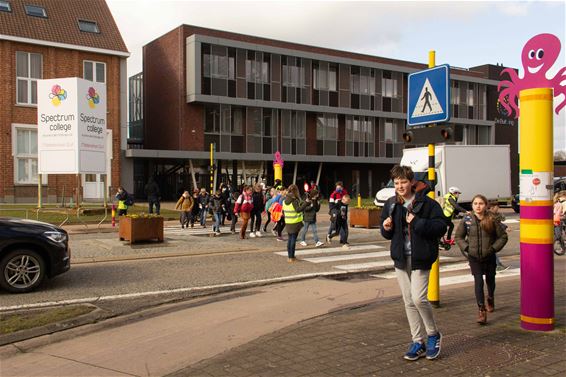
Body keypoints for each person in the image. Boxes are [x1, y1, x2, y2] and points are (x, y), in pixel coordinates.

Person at [380, 165, 445, 361]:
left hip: (421, 257)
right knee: (408, 301)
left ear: (412, 182)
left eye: (404, 182)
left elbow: (441, 226)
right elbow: (386, 233)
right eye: (397, 182)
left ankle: (433, 334)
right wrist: (386, 227)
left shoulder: (427, 204)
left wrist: (417, 222)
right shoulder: (391, 204)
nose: (400, 186)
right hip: (401, 258)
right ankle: (418, 341)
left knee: (418, 298)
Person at [455, 194, 508, 325]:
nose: (478, 206)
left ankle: (490, 297)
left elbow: (503, 237)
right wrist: (467, 248)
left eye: (481, 203)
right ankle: (481, 310)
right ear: (472, 205)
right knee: (478, 282)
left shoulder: (492, 219)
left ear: (486, 205)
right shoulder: (467, 219)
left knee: (490, 280)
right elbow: (459, 237)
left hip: (489, 256)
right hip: (474, 257)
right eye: (475, 204)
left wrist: (493, 249)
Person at [283, 184, 309, 262]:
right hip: (295, 222)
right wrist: (306, 203)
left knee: (290, 239)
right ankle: (292, 257)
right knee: (293, 239)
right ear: (296, 191)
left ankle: (289, 256)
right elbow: (298, 210)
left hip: (288, 222)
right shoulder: (293, 200)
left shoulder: (285, 200)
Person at [488, 202, 509, 271]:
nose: (498, 209)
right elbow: (497, 224)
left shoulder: (495, 214)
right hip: (488, 236)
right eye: (497, 207)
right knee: (492, 250)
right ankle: (498, 265)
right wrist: (505, 227)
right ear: (492, 207)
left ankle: (498, 265)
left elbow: (503, 219)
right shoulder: (489, 215)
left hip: (492, 235)